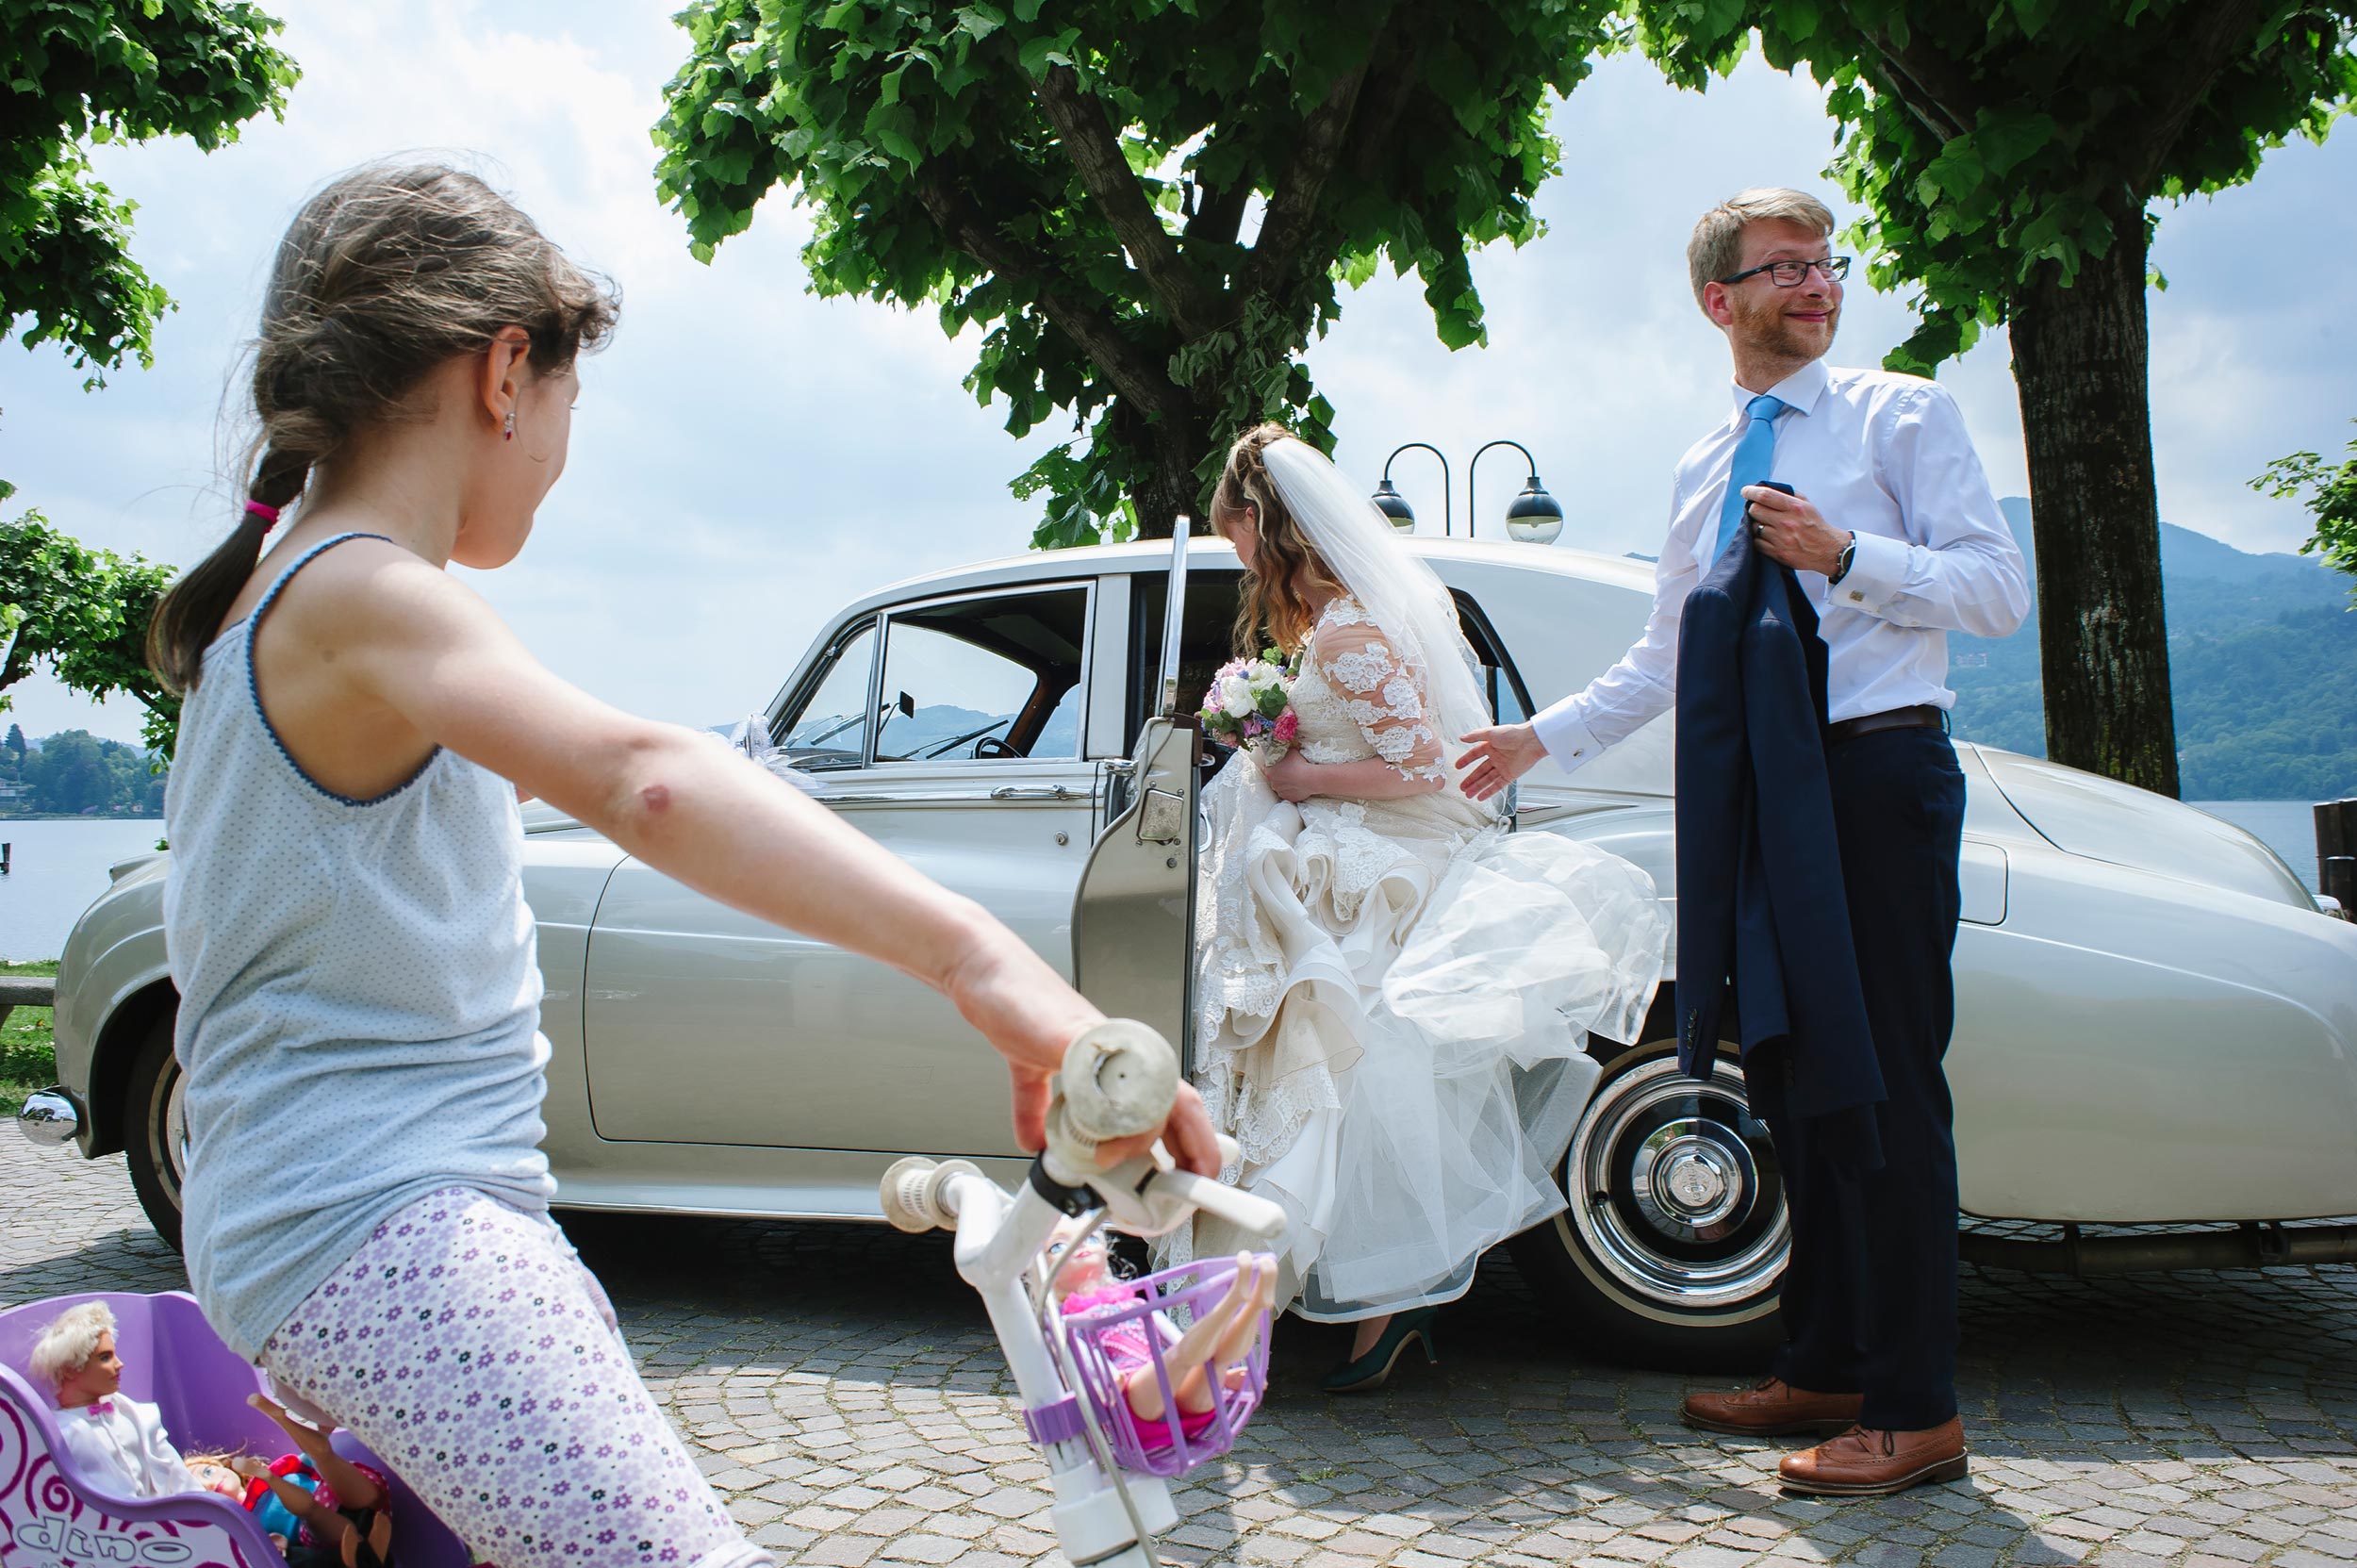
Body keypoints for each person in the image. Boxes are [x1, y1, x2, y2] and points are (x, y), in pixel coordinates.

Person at [143, 161, 1218, 1568]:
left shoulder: (297, 591)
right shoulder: (360, 592)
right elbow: (645, 780)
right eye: (570, 400)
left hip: (337, 1225)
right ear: (506, 374)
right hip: (385, 1226)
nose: (562, 450)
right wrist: (984, 962)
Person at [1459, 187, 2029, 1496]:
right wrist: (1535, 739)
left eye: (1827, 263)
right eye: (1785, 267)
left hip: (1877, 774)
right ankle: (1822, 1361)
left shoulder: (1902, 414)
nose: (1819, 283)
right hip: (1761, 796)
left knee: (1890, 1082)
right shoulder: (1702, 464)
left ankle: (1916, 1409)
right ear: (1719, 300)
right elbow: (1669, 650)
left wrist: (1848, 554)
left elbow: (1997, 590)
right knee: (1792, 1072)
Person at [1173, 423, 1669, 1392]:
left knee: (1347, 1076)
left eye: (1237, 535)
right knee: (1346, 1083)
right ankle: (1372, 1306)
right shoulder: (1335, 624)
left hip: (1374, 866)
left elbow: (1423, 766)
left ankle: (1372, 1304)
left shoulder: (1348, 632)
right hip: (1346, 850)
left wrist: (1301, 775)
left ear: (1268, 524)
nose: (1237, 556)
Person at [31, 1301, 209, 1500]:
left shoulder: (133, 1413)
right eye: (105, 1358)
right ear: (70, 1369)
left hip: (171, 1511)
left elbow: (174, 1469)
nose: (119, 1364)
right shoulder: (65, 1433)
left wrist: (201, 1505)